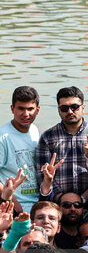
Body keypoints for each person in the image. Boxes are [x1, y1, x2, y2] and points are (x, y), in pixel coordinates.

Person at [36, 86, 88, 200]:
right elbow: (42, 175)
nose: (70, 111)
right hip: (58, 203)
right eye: (64, 108)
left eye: (74, 107)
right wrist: (61, 198)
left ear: (83, 108)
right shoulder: (47, 137)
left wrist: (83, 198)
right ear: (58, 109)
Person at [0, 86, 40, 214]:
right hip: (15, 206)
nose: (26, 114)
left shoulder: (34, 130)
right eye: (21, 108)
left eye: (30, 109)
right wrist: (12, 201)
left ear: (37, 110)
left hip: (36, 203)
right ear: (12, 108)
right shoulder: (3, 136)